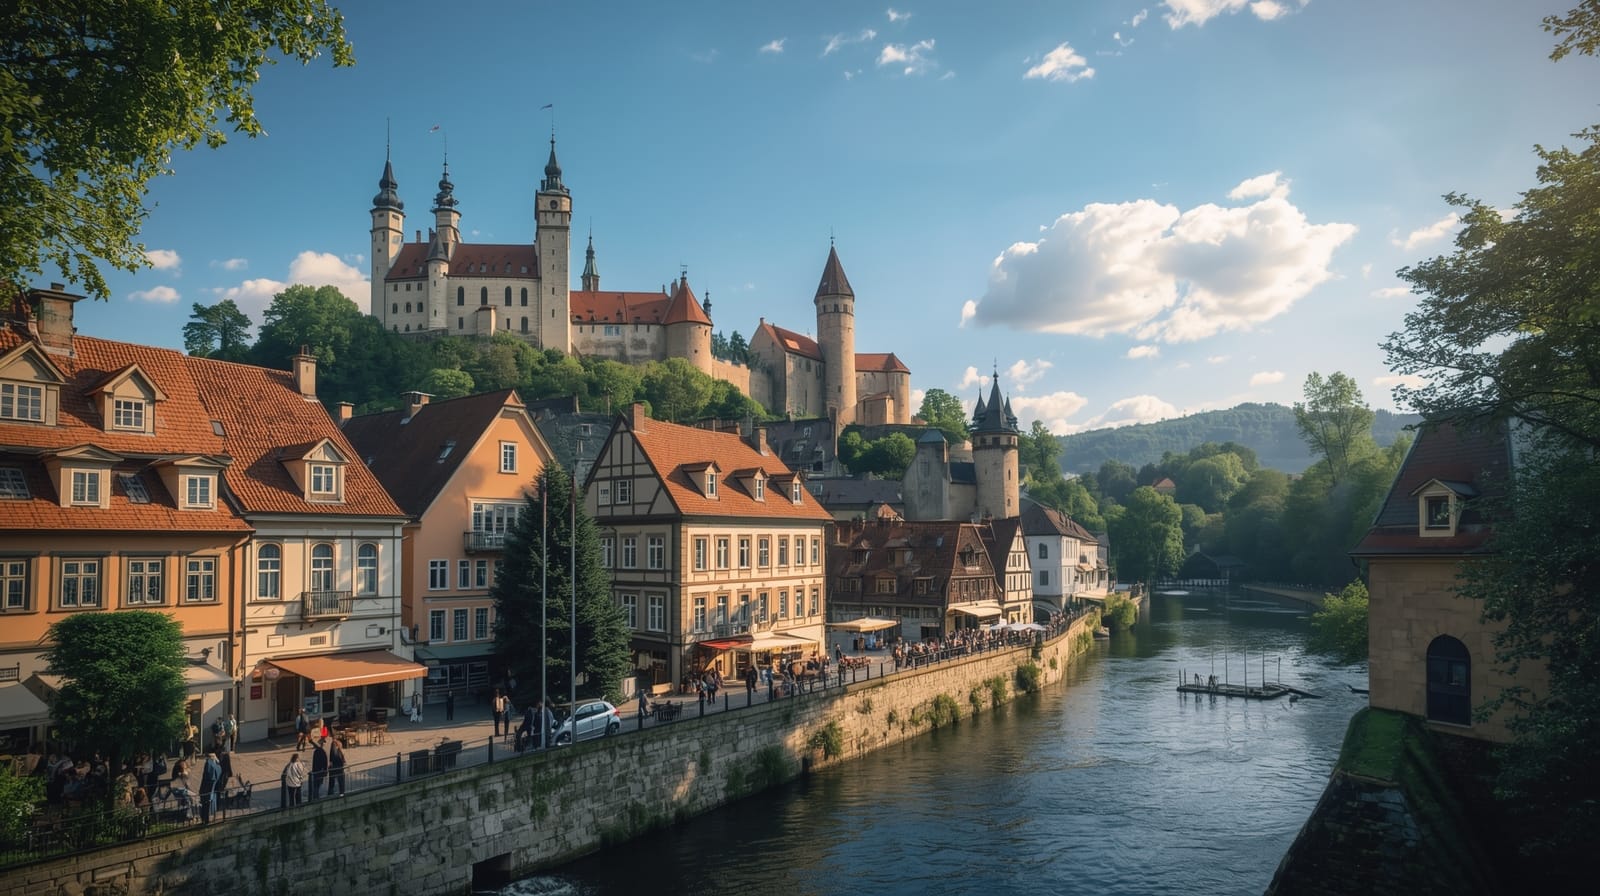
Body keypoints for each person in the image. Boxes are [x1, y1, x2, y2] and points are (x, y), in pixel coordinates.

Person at [198, 751, 222, 823]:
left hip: (206, 788)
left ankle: (204, 820)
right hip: (213, 789)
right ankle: (209, 819)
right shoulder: (218, 766)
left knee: (205, 805)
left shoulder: (209, 764)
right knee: (210, 805)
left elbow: (208, 776)